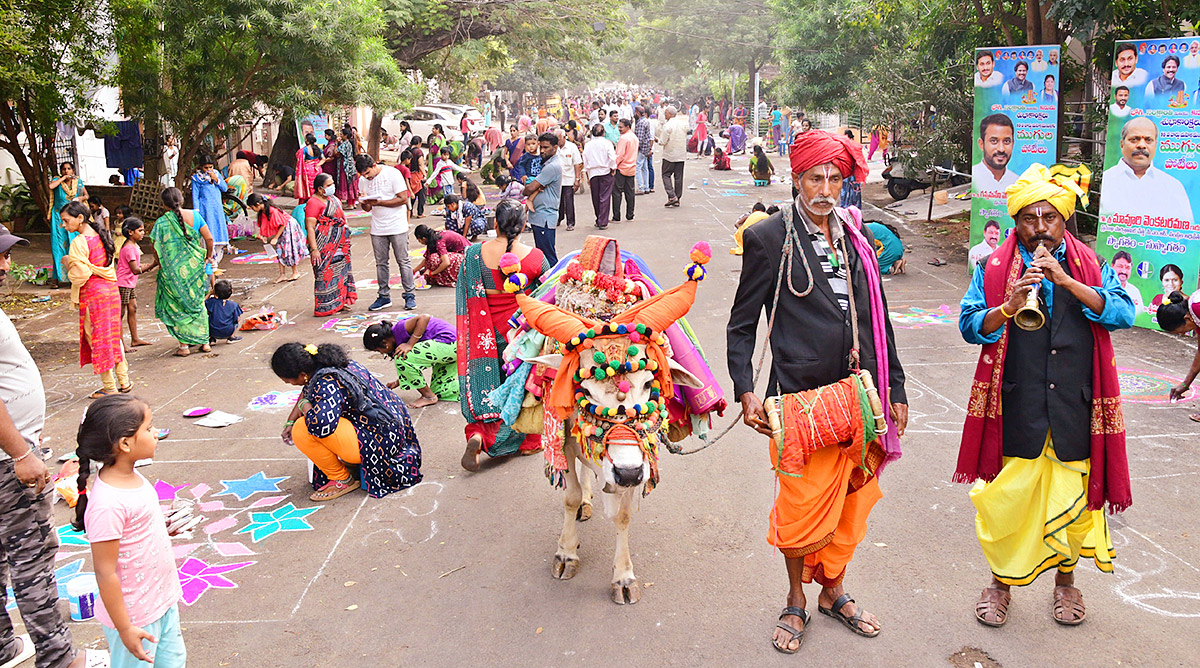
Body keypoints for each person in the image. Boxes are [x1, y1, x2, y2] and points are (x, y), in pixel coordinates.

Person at [727, 129, 908, 653]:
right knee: (800, 504)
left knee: (853, 498)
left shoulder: (855, 235)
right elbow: (742, 324)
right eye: (815, 178)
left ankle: (832, 591)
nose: (825, 188)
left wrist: (895, 386)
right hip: (798, 402)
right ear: (797, 179)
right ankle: (794, 600)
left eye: (835, 177)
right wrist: (745, 391)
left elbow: (879, 322)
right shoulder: (768, 239)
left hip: (859, 396)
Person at [957, 163, 1134, 628]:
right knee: (1004, 504)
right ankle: (999, 584)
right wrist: (1007, 306)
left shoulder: (1091, 263)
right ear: (1015, 222)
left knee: (1072, 505)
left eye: (1049, 217)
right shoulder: (993, 267)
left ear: (1063, 220)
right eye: (1029, 218)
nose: (1039, 228)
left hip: (1076, 406)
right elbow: (970, 325)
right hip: (1016, 406)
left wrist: (1069, 283)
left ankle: (1066, 583)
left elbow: (1122, 313)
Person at [0, 224, 94, 668]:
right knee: (31, 555)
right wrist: (20, 452)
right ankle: (59, 659)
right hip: (7, 460)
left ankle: (4, 644)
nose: (6, 265)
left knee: (4, 553)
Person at [72, 394, 186, 668]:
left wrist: (163, 528)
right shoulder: (107, 504)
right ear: (124, 443)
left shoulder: (133, 478)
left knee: (173, 661)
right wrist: (124, 628)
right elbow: (105, 571)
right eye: (148, 429)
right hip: (134, 615)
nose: (156, 433)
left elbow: (135, 532)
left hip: (161, 599)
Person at [456, 199, 548, 471]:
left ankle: (477, 434)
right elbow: (547, 296)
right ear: (523, 227)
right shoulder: (534, 258)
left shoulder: (473, 255)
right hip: (519, 335)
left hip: (484, 333)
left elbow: (464, 293)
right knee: (520, 387)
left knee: (487, 386)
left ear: (494, 223)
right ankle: (528, 441)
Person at [272, 342, 423, 501]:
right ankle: (350, 460)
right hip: (395, 431)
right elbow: (306, 392)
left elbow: (319, 426)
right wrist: (289, 421)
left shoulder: (326, 381)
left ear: (303, 375)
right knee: (304, 420)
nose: (289, 384)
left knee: (302, 429)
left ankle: (341, 479)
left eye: (289, 381)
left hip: (380, 443)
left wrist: (303, 407)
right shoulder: (331, 362)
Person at [61, 202, 129, 398]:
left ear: (80, 218)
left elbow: (80, 275)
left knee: (98, 339)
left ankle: (109, 387)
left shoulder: (79, 242)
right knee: (113, 336)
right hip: (110, 291)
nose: (64, 226)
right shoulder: (102, 235)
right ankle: (124, 381)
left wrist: (68, 263)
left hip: (93, 295)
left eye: (66, 221)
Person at [151, 188, 214, 357]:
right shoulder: (195, 216)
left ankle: (184, 345)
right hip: (195, 267)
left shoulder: (161, 223)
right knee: (198, 301)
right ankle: (205, 342)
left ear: (164, 205)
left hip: (172, 272)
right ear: (181, 200)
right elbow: (209, 239)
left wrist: (159, 264)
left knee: (177, 305)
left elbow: (156, 249)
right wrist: (208, 256)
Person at [1101, 117, 1193, 224]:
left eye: (1148, 140)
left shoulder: (1172, 186)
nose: (1141, 145)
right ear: (1122, 144)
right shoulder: (1106, 181)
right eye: (1134, 139)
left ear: (1155, 145)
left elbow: (1187, 230)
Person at [355, 154, 415, 312]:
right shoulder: (363, 181)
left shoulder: (392, 173)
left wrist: (381, 202)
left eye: (368, 173)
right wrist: (364, 201)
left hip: (397, 225)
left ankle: (409, 295)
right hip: (378, 227)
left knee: (403, 261)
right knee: (381, 263)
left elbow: (403, 198)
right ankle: (383, 296)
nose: (366, 177)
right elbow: (367, 208)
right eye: (363, 175)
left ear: (374, 165)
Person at [363, 316, 459, 407]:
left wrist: (410, 344)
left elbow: (424, 317)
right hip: (454, 349)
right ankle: (472, 388)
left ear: (384, 343)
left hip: (452, 343)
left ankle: (428, 397)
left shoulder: (399, 328)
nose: (381, 353)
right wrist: (398, 381)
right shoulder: (397, 338)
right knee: (440, 390)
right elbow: (414, 364)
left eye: (378, 350)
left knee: (402, 358)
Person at [305, 173, 357, 316]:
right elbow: (310, 227)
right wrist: (314, 249)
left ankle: (339, 302)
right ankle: (326, 305)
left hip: (340, 244)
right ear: (320, 189)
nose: (332, 187)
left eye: (332, 184)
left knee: (340, 271)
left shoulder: (334, 199)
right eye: (328, 185)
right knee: (325, 273)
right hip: (324, 245)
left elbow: (343, 217)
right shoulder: (313, 203)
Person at [1156, 290, 1200, 422]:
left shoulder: (1197, 309)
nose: (1182, 334)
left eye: (1181, 331)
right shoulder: (1193, 314)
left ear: (1186, 319)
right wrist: (1185, 384)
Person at [521, 132, 562, 267]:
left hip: (545, 216)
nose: (542, 151)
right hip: (540, 216)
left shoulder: (552, 167)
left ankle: (553, 285)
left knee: (548, 256)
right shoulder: (546, 164)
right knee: (543, 254)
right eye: (541, 147)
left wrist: (529, 188)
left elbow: (528, 189)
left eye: (546, 147)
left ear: (555, 148)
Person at [247, 193, 307, 283]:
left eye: (252, 207)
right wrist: (265, 236)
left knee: (288, 250)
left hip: (288, 227)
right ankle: (282, 274)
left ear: (258, 204)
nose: (252, 210)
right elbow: (265, 224)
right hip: (282, 229)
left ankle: (295, 272)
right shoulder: (263, 212)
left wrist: (275, 237)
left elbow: (282, 224)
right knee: (279, 250)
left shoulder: (273, 211)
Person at [116, 218, 157, 348]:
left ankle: (135, 339)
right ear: (130, 232)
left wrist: (146, 266)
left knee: (132, 308)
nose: (143, 233)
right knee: (120, 313)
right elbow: (135, 270)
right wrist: (152, 265)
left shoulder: (133, 245)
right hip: (123, 283)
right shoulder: (129, 248)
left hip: (129, 283)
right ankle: (120, 343)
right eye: (140, 230)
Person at [50, 161, 89, 285]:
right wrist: (63, 178)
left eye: (69, 169)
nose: (66, 171)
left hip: (73, 217)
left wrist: (80, 199)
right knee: (58, 246)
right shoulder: (57, 180)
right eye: (64, 169)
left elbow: (86, 195)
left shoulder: (78, 182)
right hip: (58, 218)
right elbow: (51, 187)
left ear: (73, 170)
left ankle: (74, 277)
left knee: (74, 245)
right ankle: (57, 278)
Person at [190, 153, 230, 265]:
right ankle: (209, 259)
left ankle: (217, 258)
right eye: (205, 168)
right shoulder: (196, 179)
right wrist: (196, 211)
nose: (208, 170)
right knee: (208, 230)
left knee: (218, 229)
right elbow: (195, 196)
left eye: (210, 167)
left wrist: (216, 179)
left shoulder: (217, 174)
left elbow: (224, 188)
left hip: (217, 209)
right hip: (205, 209)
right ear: (201, 167)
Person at [583, 123, 617, 231]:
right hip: (605, 171)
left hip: (593, 173)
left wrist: (587, 174)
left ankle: (599, 218)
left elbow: (585, 160)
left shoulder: (588, 145)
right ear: (603, 133)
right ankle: (603, 221)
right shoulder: (607, 143)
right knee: (605, 197)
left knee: (596, 197)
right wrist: (613, 168)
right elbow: (612, 158)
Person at [973, 114, 1017, 194]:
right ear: (981, 144)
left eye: (1006, 141)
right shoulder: (975, 178)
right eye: (994, 141)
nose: (1001, 149)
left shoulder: (1017, 182)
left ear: (1013, 144)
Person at [657, 105, 688, 207]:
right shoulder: (683, 124)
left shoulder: (668, 126)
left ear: (670, 114)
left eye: (666, 113)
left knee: (666, 174)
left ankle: (672, 195)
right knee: (678, 177)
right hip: (681, 154)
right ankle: (677, 198)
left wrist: (658, 140)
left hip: (669, 155)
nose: (664, 115)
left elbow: (662, 141)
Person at [555, 130, 583, 231]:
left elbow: (576, 164)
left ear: (563, 137)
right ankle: (558, 218)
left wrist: (577, 179)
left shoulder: (572, 147)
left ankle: (570, 222)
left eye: (558, 139)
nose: (557, 141)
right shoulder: (554, 148)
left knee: (569, 201)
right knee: (558, 202)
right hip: (557, 180)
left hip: (568, 179)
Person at [612, 119, 638, 222]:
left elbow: (620, 155)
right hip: (631, 167)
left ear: (627, 127)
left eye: (621, 127)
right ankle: (630, 214)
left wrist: (614, 166)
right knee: (630, 192)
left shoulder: (623, 138)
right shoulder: (634, 137)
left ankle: (616, 216)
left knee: (617, 193)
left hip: (622, 168)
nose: (619, 129)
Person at [204, 279, 243, 344]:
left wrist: (210, 293)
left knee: (209, 318)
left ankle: (212, 339)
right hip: (228, 331)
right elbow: (238, 319)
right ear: (231, 292)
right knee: (236, 321)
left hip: (213, 331)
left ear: (215, 293)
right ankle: (232, 337)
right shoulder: (234, 305)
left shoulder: (211, 302)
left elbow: (202, 303)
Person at [335, 127, 360, 208]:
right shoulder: (349, 143)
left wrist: (336, 143)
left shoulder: (345, 144)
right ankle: (352, 202)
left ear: (345, 135)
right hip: (350, 165)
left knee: (346, 183)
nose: (340, 136)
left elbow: (337, 152)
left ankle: (350, 204)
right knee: (351, 183)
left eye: (342, 134)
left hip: (345, 166)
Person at [295, 133, 323, 202]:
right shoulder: (318, 149)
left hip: (308, 170)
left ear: (307, 141)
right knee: (317, 185)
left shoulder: (304, 150)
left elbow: (302, 159)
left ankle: (309, 201)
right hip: (318, 169)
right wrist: (317, 165)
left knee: (309, 187)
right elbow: (323, 159)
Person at [633, 107, 654, 194]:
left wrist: (636, 148)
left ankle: (641, 187)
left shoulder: (641, 123)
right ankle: (646, 187)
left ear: (637, 112)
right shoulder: (646, 121)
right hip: (646, 147)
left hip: (641, 148)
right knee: (644, 168)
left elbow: (640, 138)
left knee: (638, 167)